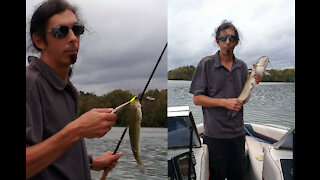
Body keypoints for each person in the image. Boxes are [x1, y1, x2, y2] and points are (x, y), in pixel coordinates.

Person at [26, 0, 122, 179]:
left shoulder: (68, 90)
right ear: (39, 40)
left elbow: (57, 151)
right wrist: (76, 130)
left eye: (77, 30)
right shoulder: (30, 85)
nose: (72, 38)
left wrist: (93, 162)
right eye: (60, 32)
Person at [189, 20, 261, 180]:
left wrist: (252, 84)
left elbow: (243, 100)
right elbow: (197, 99)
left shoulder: (242, 67)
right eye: (223, 38)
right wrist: (224, 102)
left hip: (237, 134)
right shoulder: (205, 64)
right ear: (217, 41)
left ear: (236, 42)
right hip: (215, 135)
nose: (227, 41)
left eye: (232, 38)